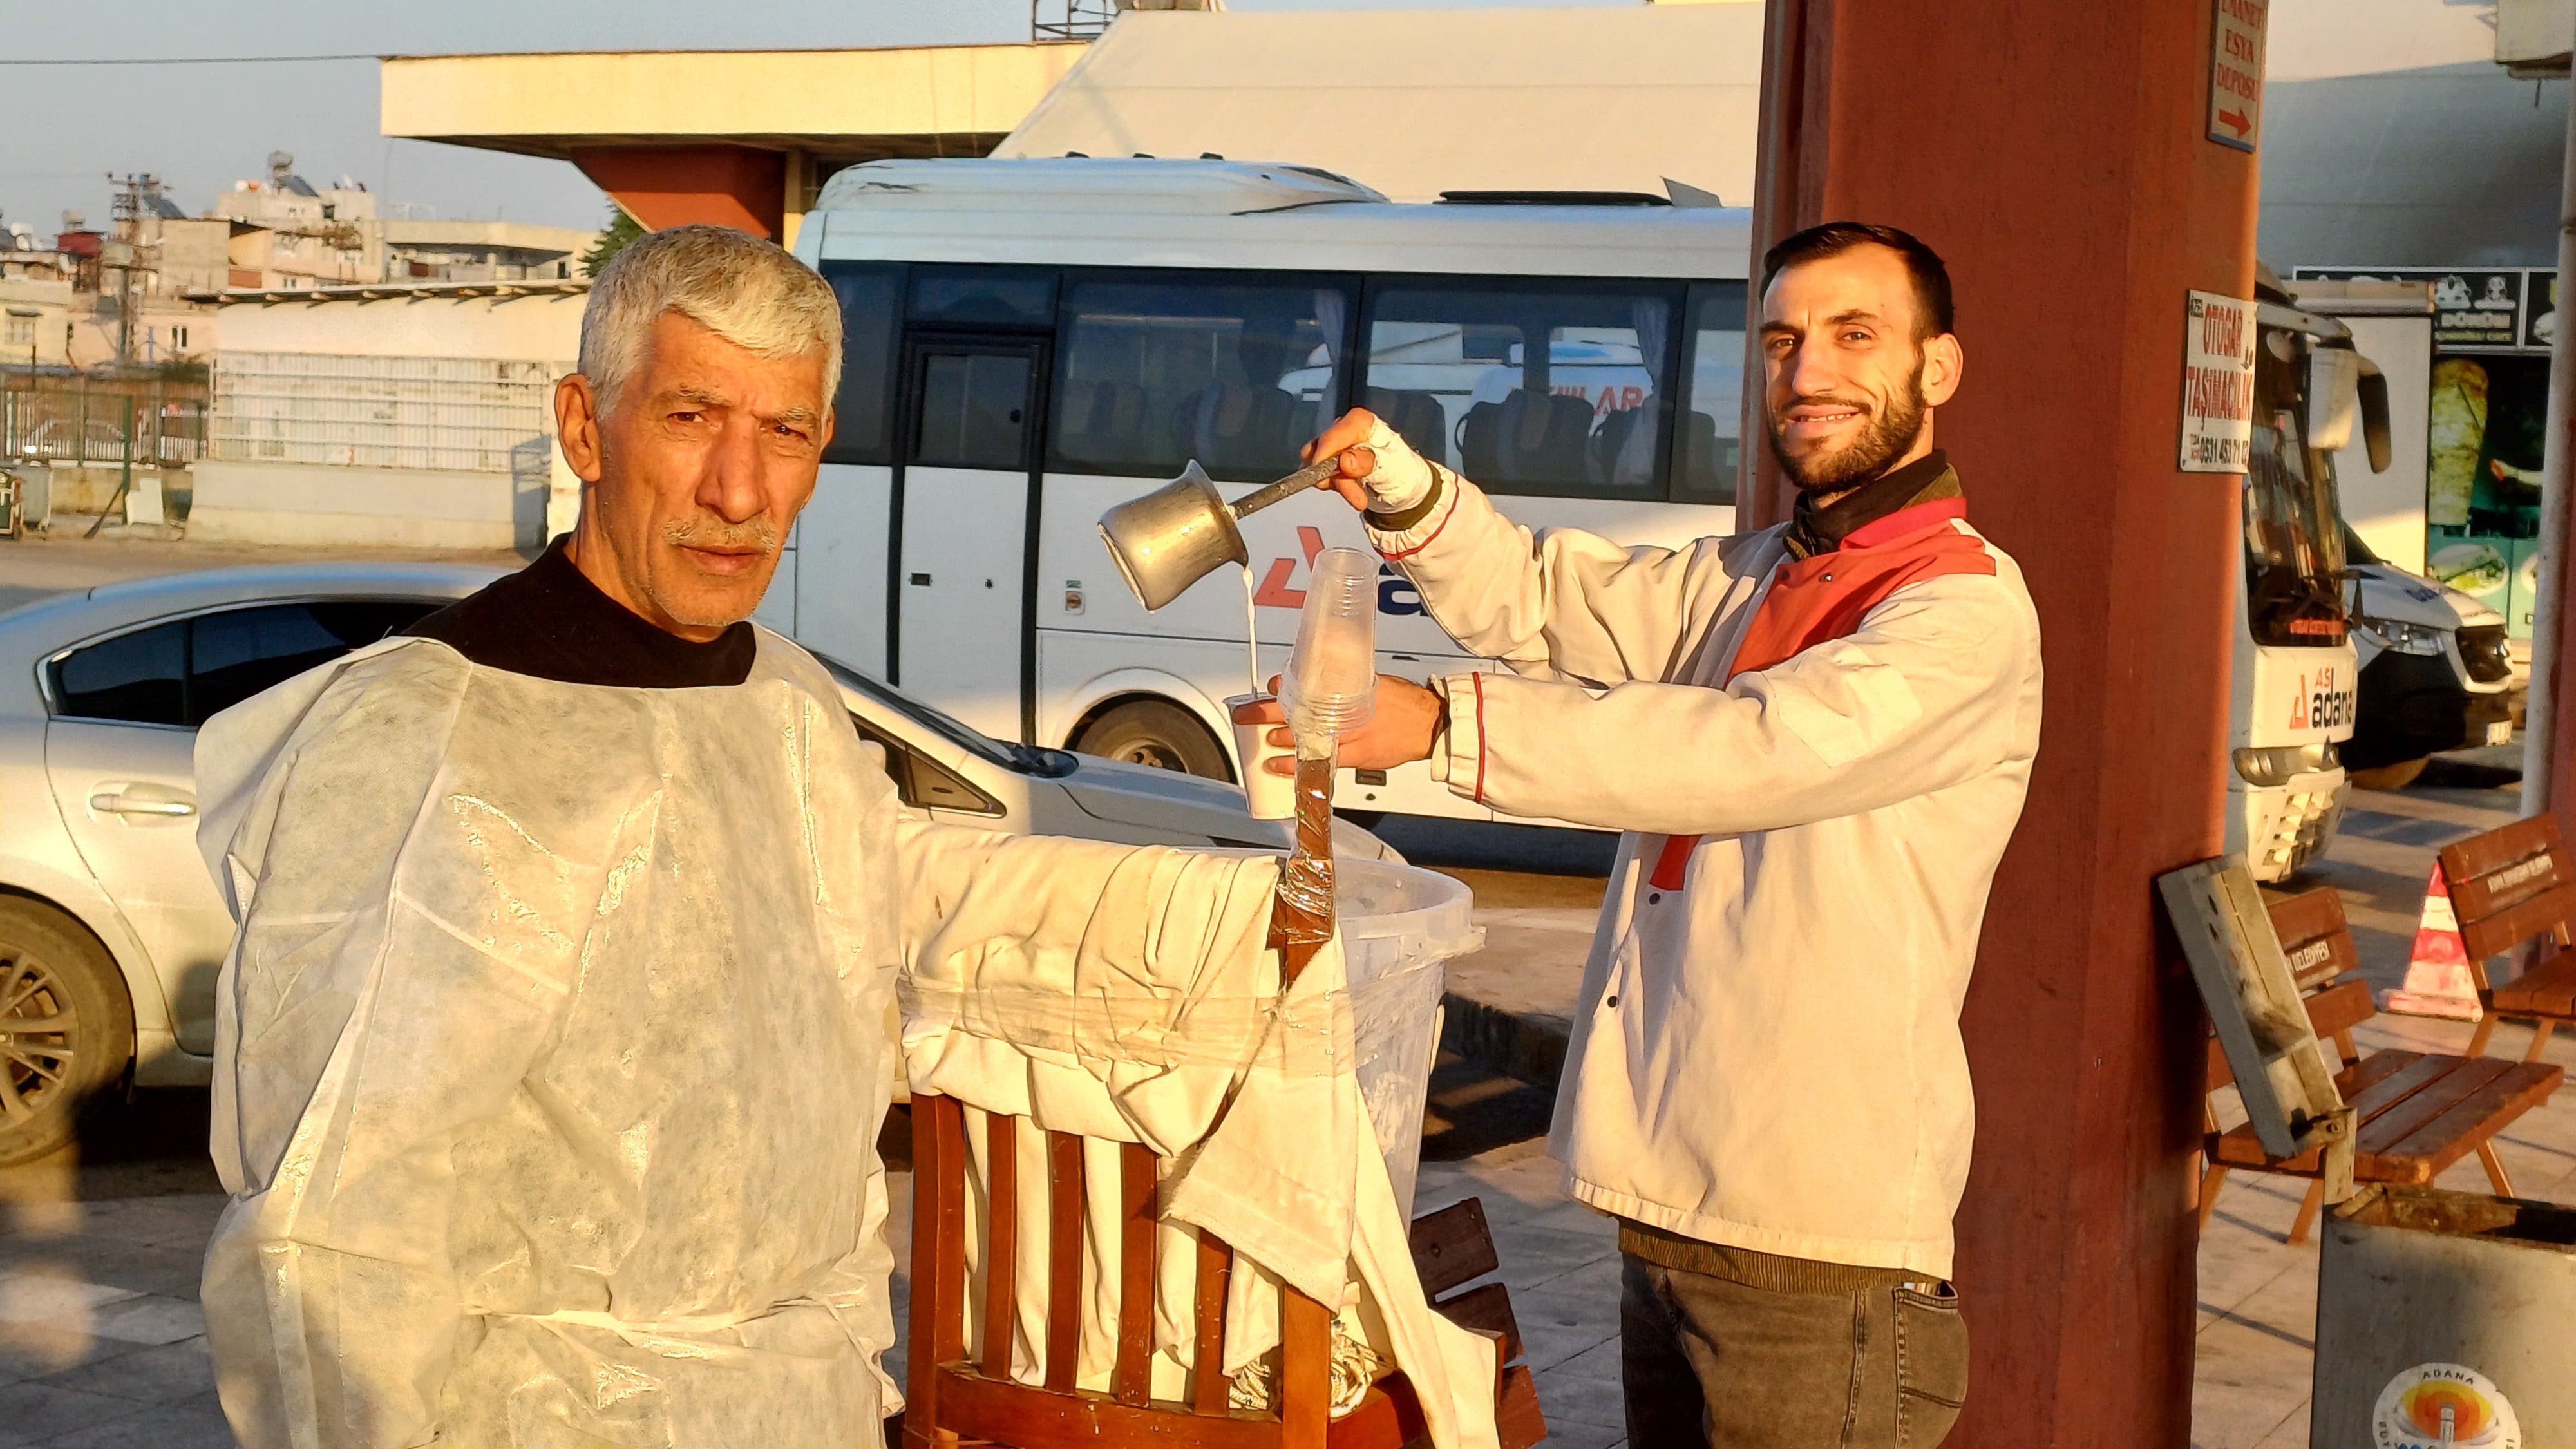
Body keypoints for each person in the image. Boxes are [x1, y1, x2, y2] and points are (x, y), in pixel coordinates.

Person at [190, 225, 1302, 1448]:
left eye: (784, 432)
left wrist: (1246, 907)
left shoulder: (790, 709)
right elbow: (329, 1231)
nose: (739, 491)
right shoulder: (427, 733)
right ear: (582, 428)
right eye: (688, 417)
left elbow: (840, 1069)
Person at [1261, 222, 2042, 1446]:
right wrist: (1410, 493)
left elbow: (1747, 749)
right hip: (1676, 1219)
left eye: (1855, 335)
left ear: (1938, 369)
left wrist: (1436, 729)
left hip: (1815, 1252)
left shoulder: (1962, 613)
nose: (1809, 374)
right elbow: (1543, 599)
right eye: (1783, 341)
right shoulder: (1752, 578)